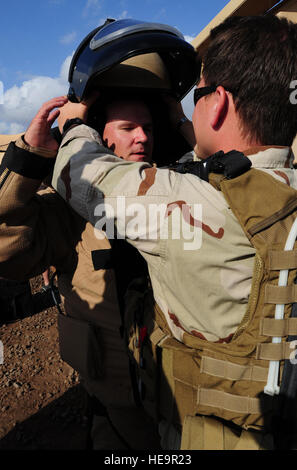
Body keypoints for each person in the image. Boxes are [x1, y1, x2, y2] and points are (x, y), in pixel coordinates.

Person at [46, 15, 297, 450]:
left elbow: (82, 175)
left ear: (217, 103)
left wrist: (72, 123)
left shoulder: (190, 207)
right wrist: (185, 124)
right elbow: (219, 174)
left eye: (196, 97)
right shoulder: (276, 192)